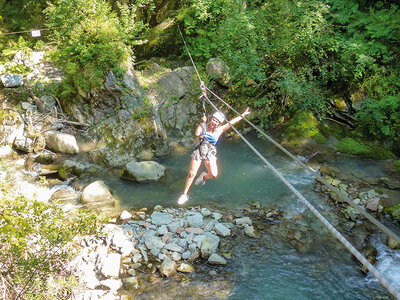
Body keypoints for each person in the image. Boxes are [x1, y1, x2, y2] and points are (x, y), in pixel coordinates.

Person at [178, 108, 251, 204]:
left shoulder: (220, 130)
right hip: (200, 149)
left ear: (219, 123)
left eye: (217, 121)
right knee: (191, 174)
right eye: (214, 119)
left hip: (210, 151)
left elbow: (232, 122)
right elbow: (197, 134)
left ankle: (203, 177)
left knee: (214, 174)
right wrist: (201, 123)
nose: (214, 122)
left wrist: (243, 115)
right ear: (211, 119)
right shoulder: (204, 125)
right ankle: (184, 194)